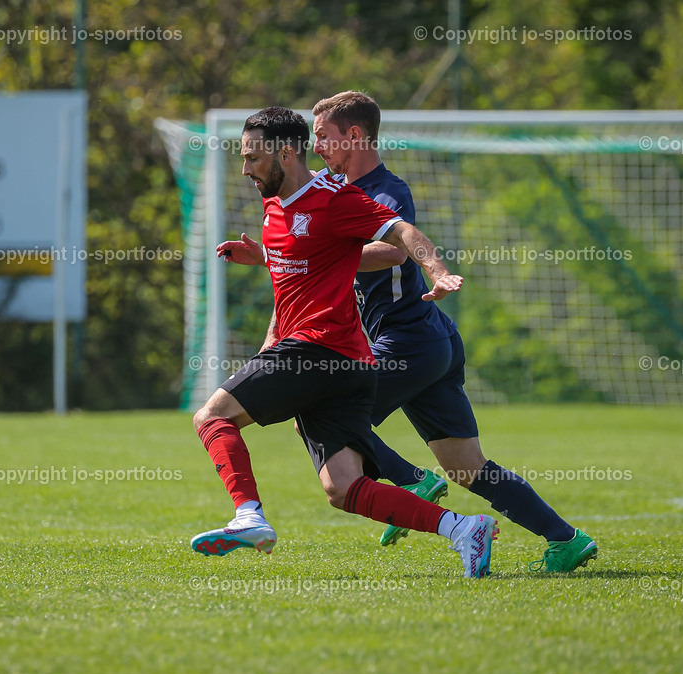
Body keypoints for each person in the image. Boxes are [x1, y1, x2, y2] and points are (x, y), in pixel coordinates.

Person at [190, 106, 498, 578]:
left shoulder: (333, 198)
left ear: (285, 154)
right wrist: (263, 259)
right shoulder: (274, 206)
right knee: (344, 488)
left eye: (253, 157)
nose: (245, 168)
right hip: (347, 363)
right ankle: (463, 529)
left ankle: (248, 516)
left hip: (318, 350)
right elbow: (301, 265)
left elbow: (401, 232)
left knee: (212, 417)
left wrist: (436, 271)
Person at [308, 90, 597, 573]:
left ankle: (411, 479)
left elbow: (395, 250)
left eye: (322, 136)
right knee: (467, 466)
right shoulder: (335, 190)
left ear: (354, 135)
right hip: (429, 341)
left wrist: (321, 256)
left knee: (321, 412)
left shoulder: (385, 190)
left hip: (408, 341)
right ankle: (566, 539)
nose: (316, 146)